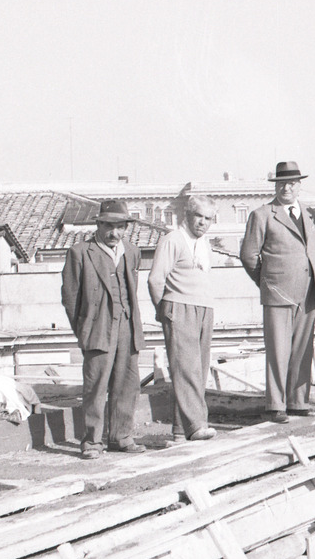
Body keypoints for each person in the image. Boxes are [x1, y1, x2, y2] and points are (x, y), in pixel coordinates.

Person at [61, 199, 147, 459]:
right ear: (98, 224)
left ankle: (121, 436)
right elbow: (70, 297)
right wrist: (84, 329)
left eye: (120, 227)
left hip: (127, 327)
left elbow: (131, 290)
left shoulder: (131, 251)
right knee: (96, 386)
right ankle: (91, 442)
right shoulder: (80, 253)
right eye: (109, 226)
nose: (115, 233)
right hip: (97, 328)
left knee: (127, 384)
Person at [240, 161, 315, 423]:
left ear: (299, 186)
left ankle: (298, 401)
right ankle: (276, 405)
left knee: (303, 349)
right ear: (275, 186)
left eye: (291, 183)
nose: (286, 188)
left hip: (308, 292)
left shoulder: (309, 215)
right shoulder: (262, 214)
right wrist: (267, 281)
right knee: (278, 349)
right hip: (278, 293)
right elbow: (248, 255)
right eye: (281, 183)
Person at [148, 195, 218, 442]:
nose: (203, 222)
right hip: (179, 307)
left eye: (208, 218)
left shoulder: (204, 244)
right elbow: (155, 280)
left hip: (204, 308)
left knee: (197, 370)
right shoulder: (173, 240)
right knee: (186, 369)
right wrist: (163, 311)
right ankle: (197, 425)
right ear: (187, 215)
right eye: (198, 216)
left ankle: (180, 429)